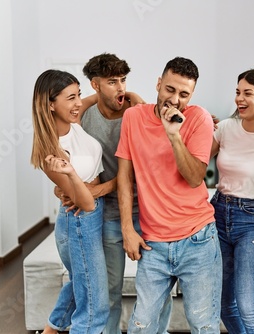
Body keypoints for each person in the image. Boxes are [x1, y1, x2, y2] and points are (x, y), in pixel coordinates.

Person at [116, 56, 222, 334]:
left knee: (203, 326)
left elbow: (194, 176)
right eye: (170, 89)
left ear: (192, 95)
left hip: (197, 240)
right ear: (158, 84)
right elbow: (125, 179)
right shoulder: (133, 118)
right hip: (153, 244)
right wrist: (128, 228)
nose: (175, 99)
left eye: (184, 94)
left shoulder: (198, 118)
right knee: (142, 326)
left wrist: (174, 134)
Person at [78, 52, 172, 334]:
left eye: (123, 81)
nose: (120, 88)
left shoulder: (136, 112)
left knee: (158, 290)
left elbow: (142, 166)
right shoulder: (85, 117)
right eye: (111, 82)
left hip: (146, 212)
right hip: (108, 215)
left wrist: (100, 188)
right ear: (95, 85)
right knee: (110, 290)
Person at [30, 69, 109, 334]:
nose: (78, 103)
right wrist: (120, 183)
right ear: (50, 104)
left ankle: (50, 330)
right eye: (70, 98)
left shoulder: (72, 121)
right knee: (94, 304)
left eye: (79, 95)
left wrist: (130, 95)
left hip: (92, 217)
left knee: (81, 283)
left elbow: (94, 99)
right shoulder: (50, 152)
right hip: (78, 223)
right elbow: (85, 203)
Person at [209, 67, 254, 333]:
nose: (239, 98)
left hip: (252, 220)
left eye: (247, 93)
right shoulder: (226, 128)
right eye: (237, 92)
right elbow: (193, 163)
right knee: (223, 304)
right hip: (217, 213)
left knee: (248, 306)